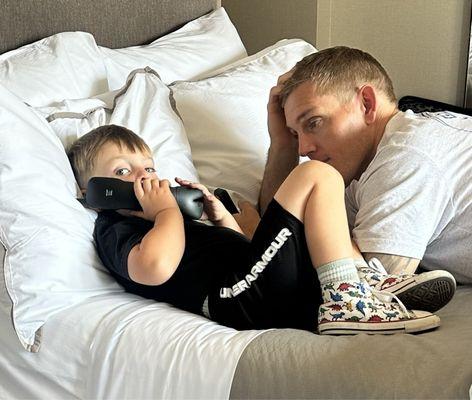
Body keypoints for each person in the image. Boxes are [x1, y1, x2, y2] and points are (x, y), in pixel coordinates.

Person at [68, 124, 440, 335]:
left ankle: (359, 285)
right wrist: (166, 210)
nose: (144, 177)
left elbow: (248, 254)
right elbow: (155, 268)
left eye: (148, 168)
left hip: (249, 284)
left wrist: (221, 221)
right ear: (94, 193)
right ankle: (347, 299)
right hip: (233, 299)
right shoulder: (114, 228)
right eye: (122, 172)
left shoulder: (169, 220)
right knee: (314, 174)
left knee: (319, 198)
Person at [259, 46, 467, 313]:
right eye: (295, 134)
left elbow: (361, 292)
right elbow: (283, 225)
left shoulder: (405, 156)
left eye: (313, 122)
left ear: (366, 104)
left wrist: (251, 227)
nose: (303, 149)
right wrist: (282, 145)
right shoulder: (356, 170)